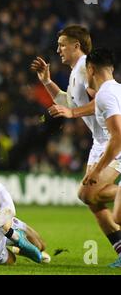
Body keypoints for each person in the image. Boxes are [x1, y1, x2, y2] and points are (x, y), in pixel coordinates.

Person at [31, 25, 121, 265]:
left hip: (111, 139)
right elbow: (66, 101)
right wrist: (47, 81)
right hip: (99, 140)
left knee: (90, 193)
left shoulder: (85, 68)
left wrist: (72, 113)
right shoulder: (75, 73)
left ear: (76, 46)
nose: (58, 49)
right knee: (89, 198)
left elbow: (100, 100)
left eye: (62, 44)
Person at [83, 48, 121, 268]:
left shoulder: (106, 95)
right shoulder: (115, 90)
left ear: (90, 69)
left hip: (118, 150)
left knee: (117, 217)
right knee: (87, 194)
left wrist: (97, 170)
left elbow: (117, 138)